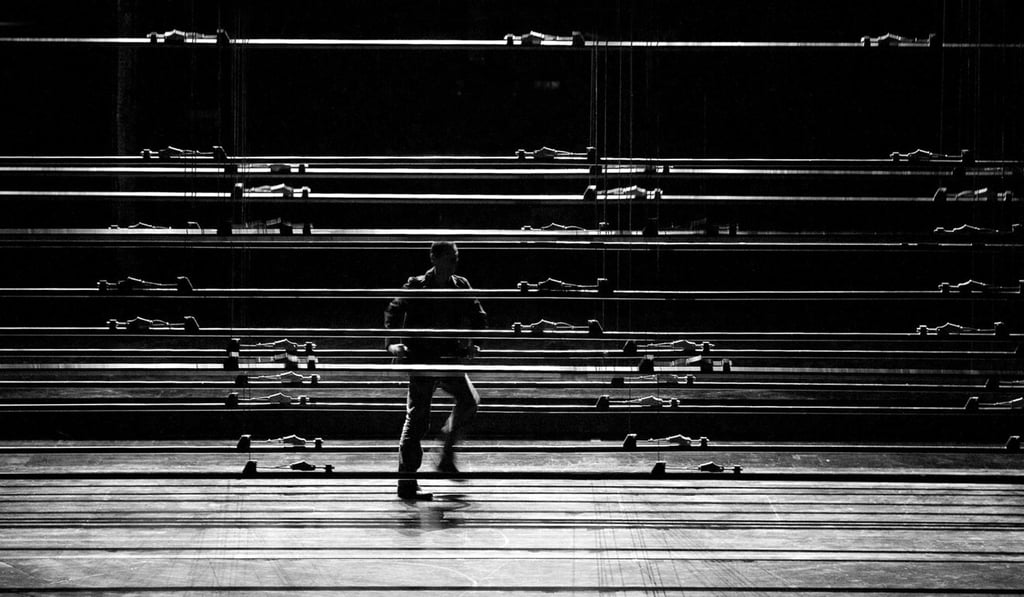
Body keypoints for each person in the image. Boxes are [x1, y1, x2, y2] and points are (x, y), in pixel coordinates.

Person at [385, 241, 487, 500]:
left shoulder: (460, 285)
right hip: (421, 357)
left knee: (469, 400)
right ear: (435, 259)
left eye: (456, 258)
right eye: (450, 258)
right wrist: (392, 344)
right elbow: (395, 310)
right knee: (418, 418)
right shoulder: (417, 284)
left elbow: (478, 315)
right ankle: (407, 483)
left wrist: (475, 343)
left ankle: (445, 454)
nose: (455, 262)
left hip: (447, 358)